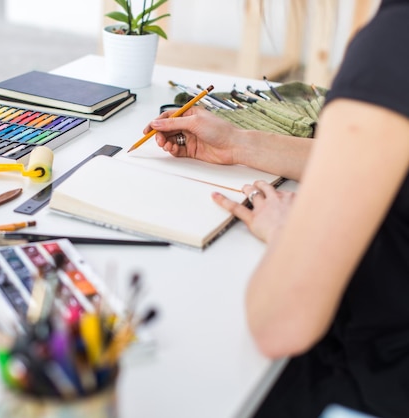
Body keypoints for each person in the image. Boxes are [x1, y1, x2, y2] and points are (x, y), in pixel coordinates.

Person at [144, 1, 409, 417]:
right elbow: (377, 158)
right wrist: (237, 143)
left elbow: (280, 324)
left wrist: (288, 231)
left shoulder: (393, 46)